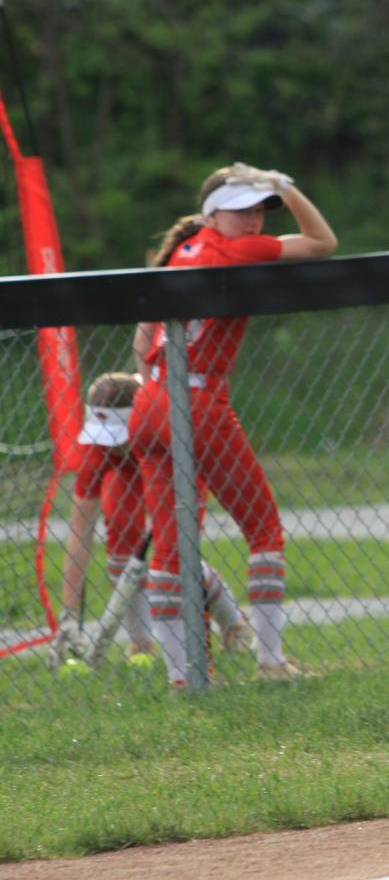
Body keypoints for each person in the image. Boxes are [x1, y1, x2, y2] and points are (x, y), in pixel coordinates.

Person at [128, 162, 337, 686]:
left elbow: (140, 339)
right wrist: (287, 186)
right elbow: (323, 242)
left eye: (259, 209)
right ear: (212, 213)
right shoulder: (237, 248)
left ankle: (184, 676)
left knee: (173, 547)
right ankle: (270, 662)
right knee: (264, 529)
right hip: (197, 400)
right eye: (241, 209)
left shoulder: (182, 249)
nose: (253, 220)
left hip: (150, 399)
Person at [50, 372, 253, 669]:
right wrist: (68, 614)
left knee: (176, 554)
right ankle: (140, 642)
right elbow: (80, 533)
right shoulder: (97, 451)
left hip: (172, 460)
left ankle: (233, 622)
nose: (112, 446)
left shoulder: (169, 421)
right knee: (120, 530)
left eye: (118, 437)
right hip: (128, 473)